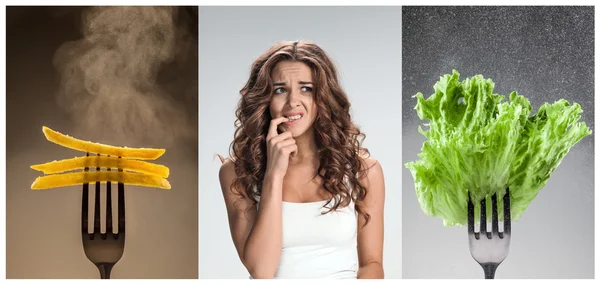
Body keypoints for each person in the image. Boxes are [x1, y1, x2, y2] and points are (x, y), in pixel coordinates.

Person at [218, 40, 385, 279]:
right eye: (280, 90)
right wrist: (273, 175)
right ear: (265, 100)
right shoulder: (236, 173)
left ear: (323, 97)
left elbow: (372, 264)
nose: (292, 102)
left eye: (306, 88)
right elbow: (261, 270)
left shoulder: (364, 171)